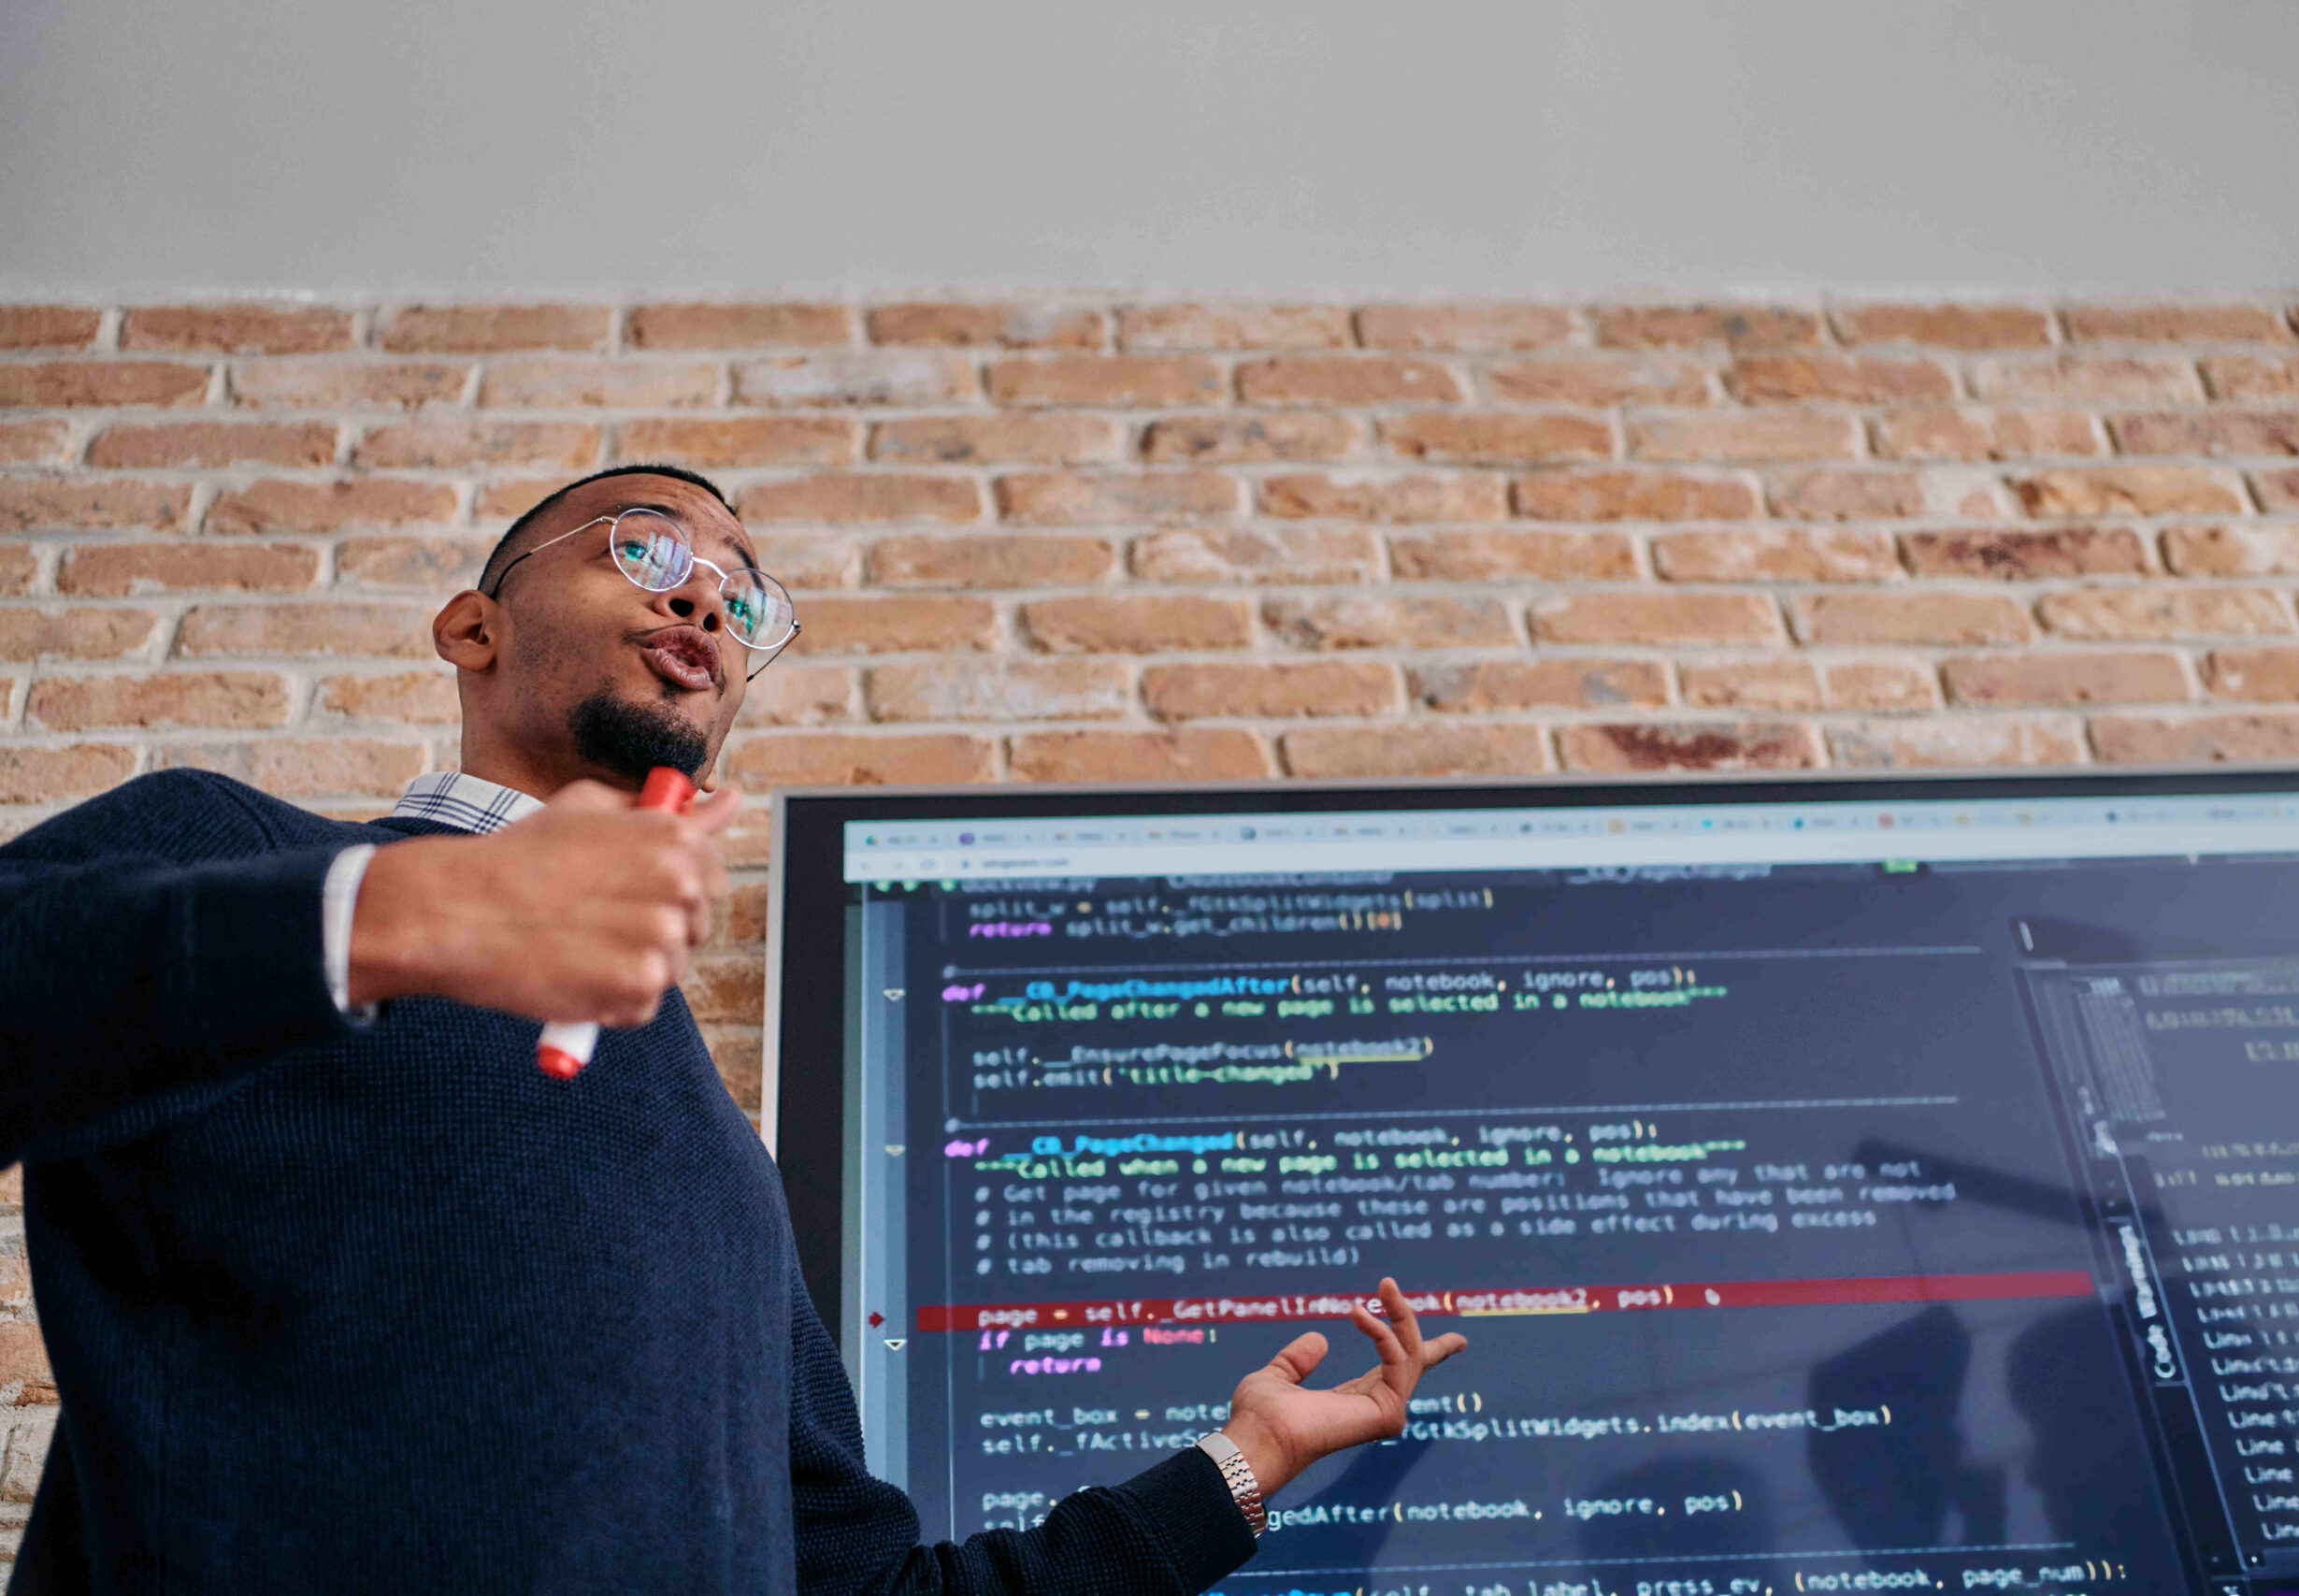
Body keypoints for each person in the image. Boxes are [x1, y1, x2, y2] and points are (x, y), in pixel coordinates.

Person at [0, 464, 1465, 1593]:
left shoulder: (720, 1161)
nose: (703, 599)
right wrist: (405, 917)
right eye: (646, 549)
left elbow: (857, 1588)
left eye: (741, 594)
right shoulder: (234, 849)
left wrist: (1241, 1467)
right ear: (472, 624)